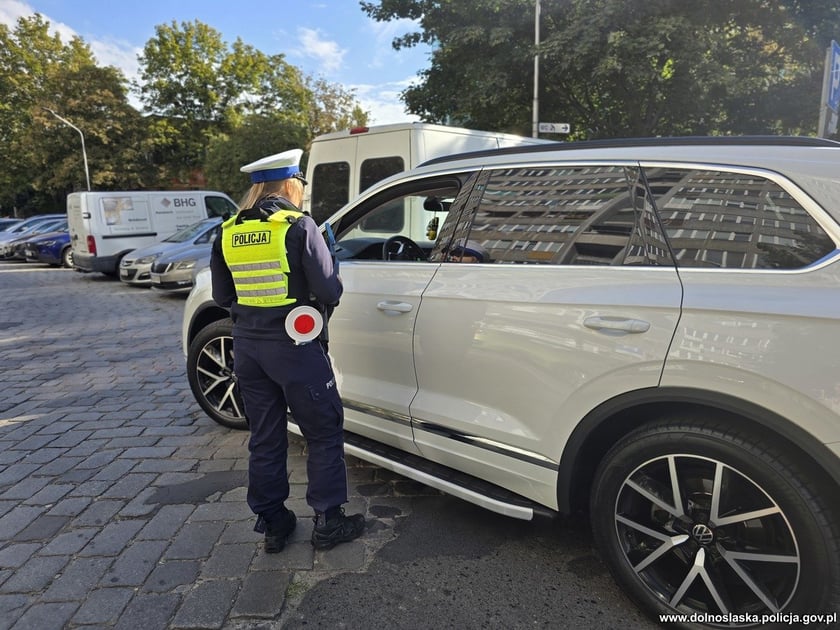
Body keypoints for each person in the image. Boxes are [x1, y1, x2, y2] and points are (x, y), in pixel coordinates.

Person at [209, 148, 365, 553]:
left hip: (248, 350)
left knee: (265, 436)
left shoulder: (228, 230)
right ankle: (329, 522)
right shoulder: (299, 226)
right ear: (292, 184)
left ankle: (274, 522)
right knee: (323, 431)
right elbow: (330, 291)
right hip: (296, 349)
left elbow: (223, 295)